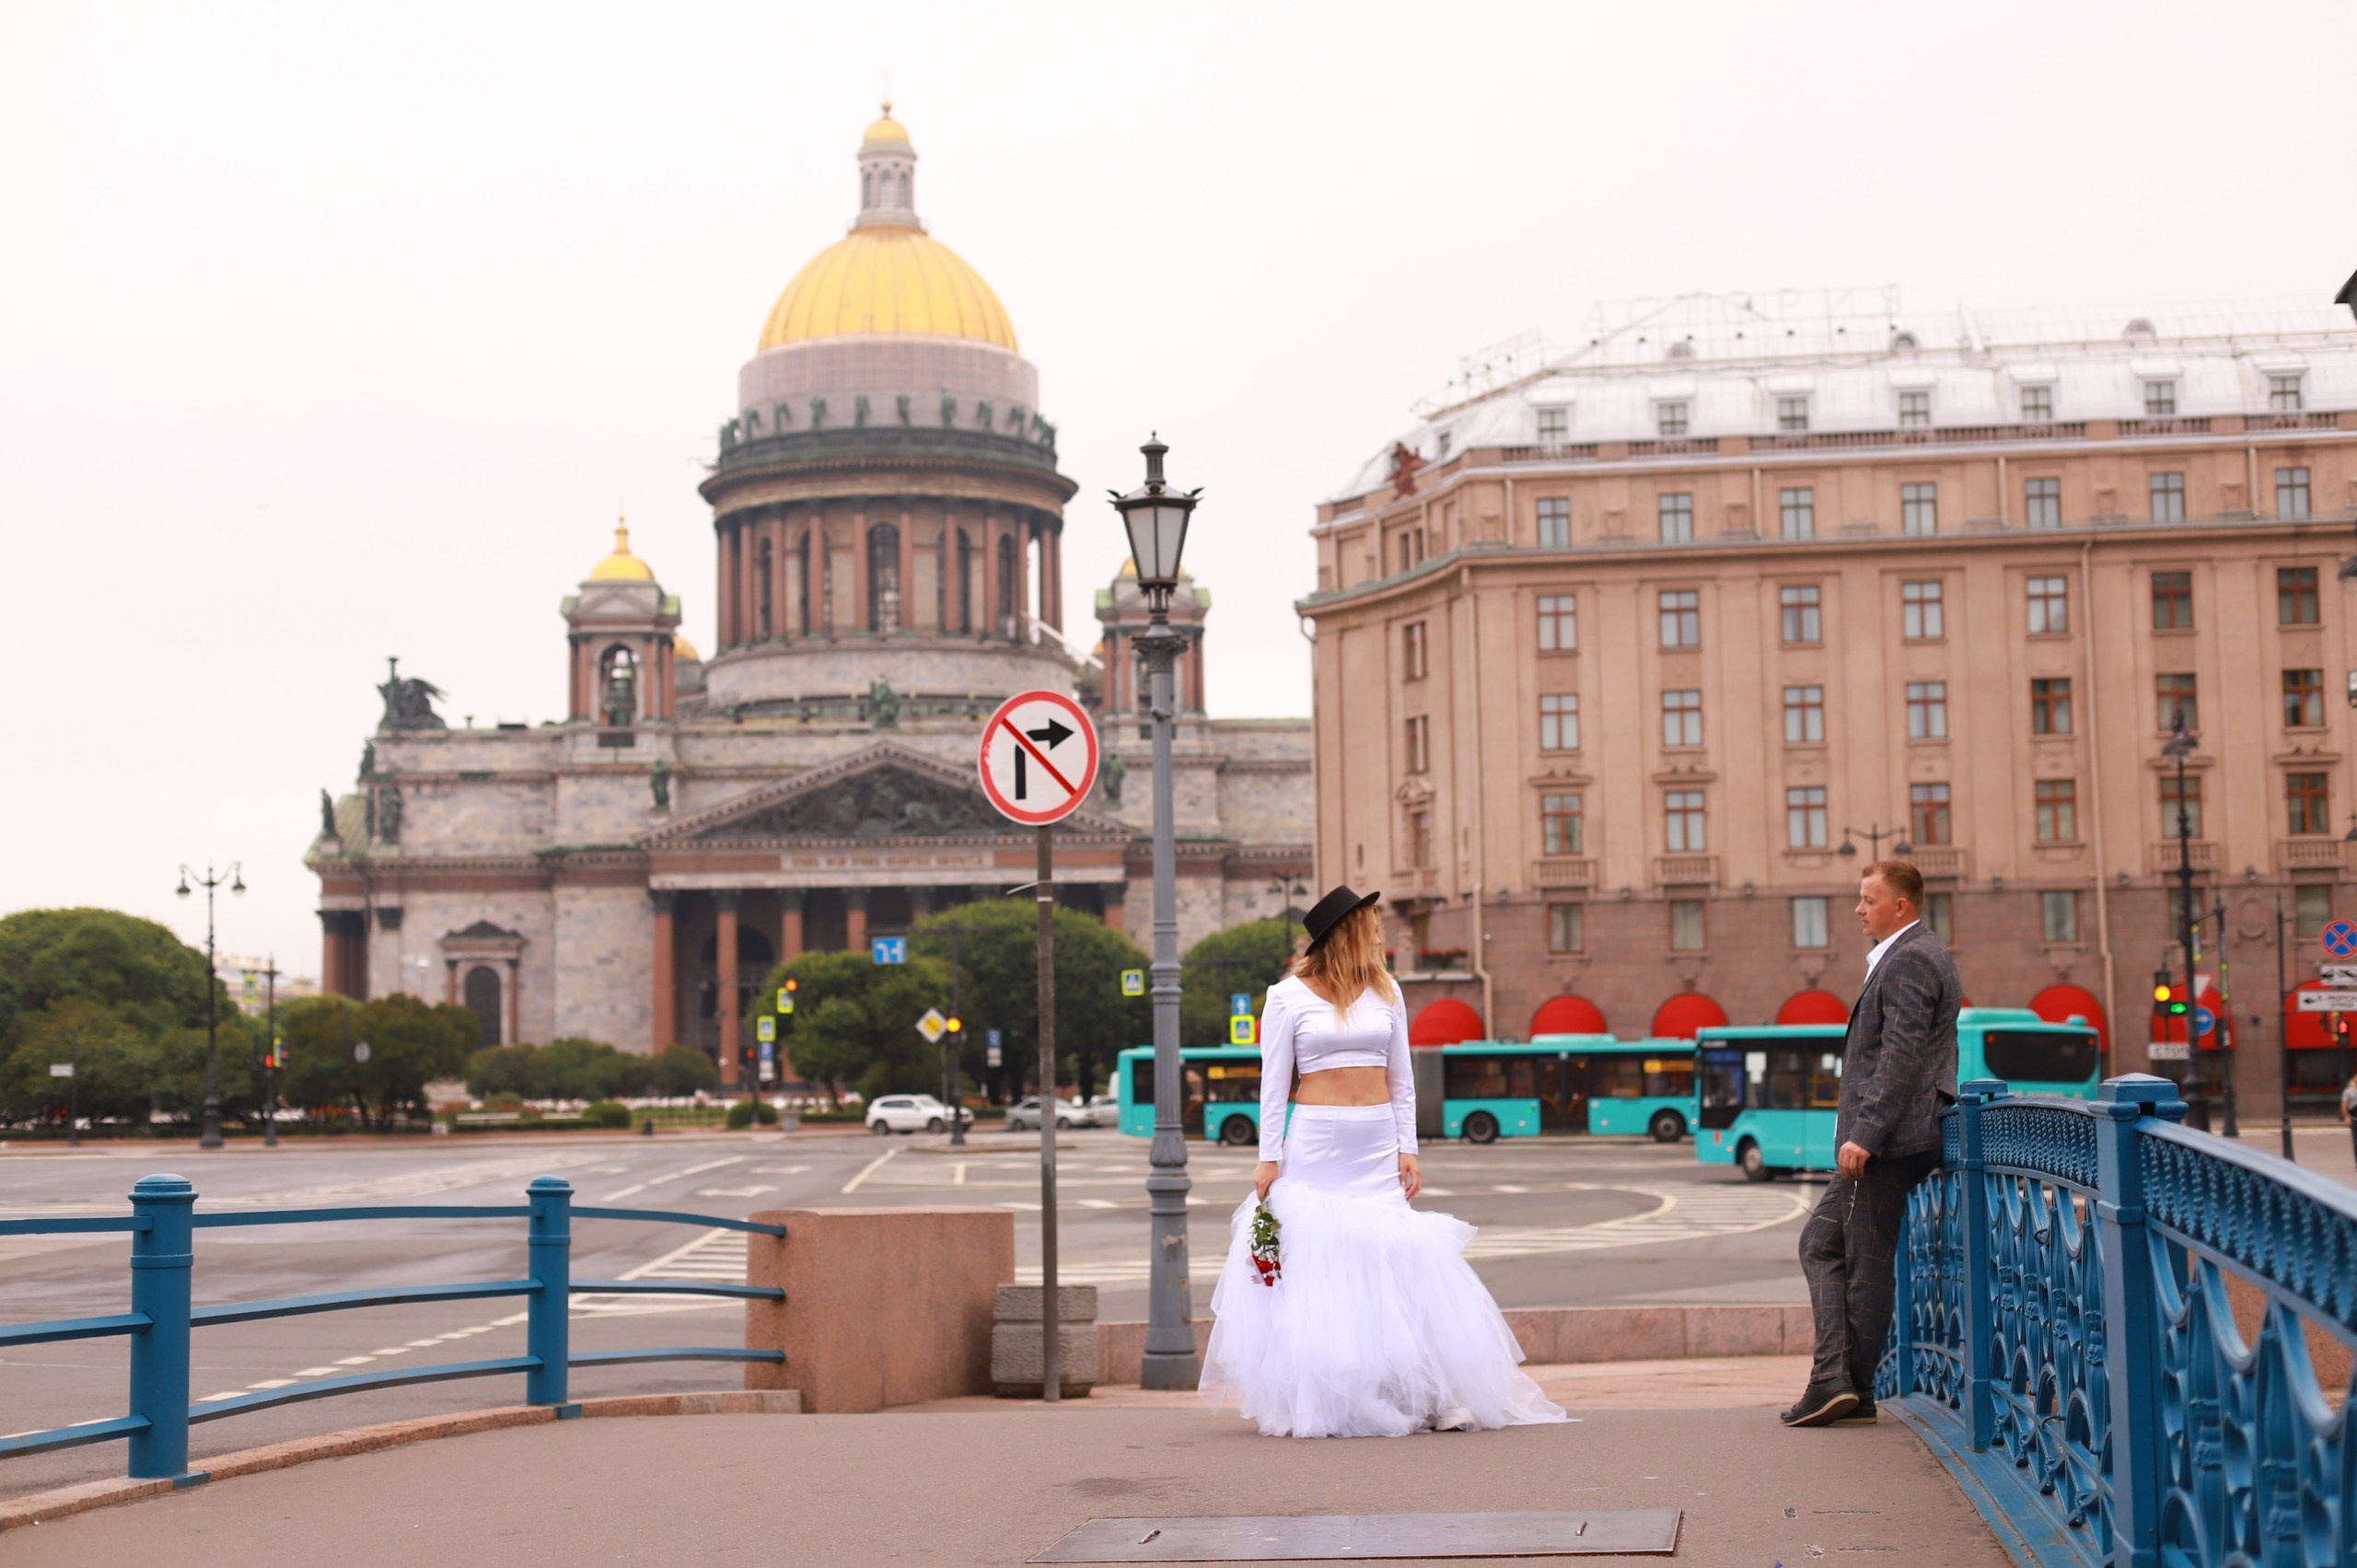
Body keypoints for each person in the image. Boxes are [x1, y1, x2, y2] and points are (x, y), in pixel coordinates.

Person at [1199, 885, 1568, 1438]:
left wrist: (1408, 1146)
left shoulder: (1386, 991)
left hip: (1374, 1145)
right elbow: (1272, 1087)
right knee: (1325, 1267)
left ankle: (1435, 1395)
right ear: (1342, 934)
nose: (1377, 935)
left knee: (1403, 1261)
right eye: (1369, 926)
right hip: (1318, 1146)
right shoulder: (1285, 997)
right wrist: (1268, 1160)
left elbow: (1403, 1078)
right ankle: (1334, 1395)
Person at [1783, 860, 1962, 1429]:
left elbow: (1901, 1056)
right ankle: (1847, 1386)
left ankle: (1839, 1381)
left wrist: (1866, 1133)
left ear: (1900, 906)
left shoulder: (1909, 958)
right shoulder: (1914, 953)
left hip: (1890, 1139)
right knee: (1835, 1247)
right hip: (1902, 1134)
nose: (1859, 910)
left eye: (1868, 899)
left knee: (1849, 1254)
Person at [2340, 1072, 2357, 1167]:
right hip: (2354, 1120)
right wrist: (2346, 1116)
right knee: (2356, 1141)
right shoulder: (2348, 1092)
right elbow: (2344, 1105)